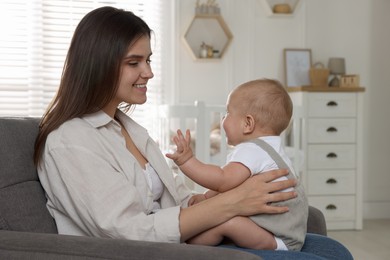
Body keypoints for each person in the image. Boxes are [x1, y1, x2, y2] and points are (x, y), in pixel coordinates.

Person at [33, 6, 352, 260]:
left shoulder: (128, 129)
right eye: (135, 62)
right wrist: (234, 203)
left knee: (334, 250)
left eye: (149, 59)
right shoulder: (70, 142)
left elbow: (175, 200)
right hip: (148, 252)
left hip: (180, 240)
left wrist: (212, 196)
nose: (149, 72)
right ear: (98, 65)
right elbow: (129, 231)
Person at [166, 79, 308, 251]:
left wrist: (187, 161)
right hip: (289, 231)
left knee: (228, 222)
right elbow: (234, 186)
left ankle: (190, 244)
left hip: (275, 237)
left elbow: (222, 180)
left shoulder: (251, 149)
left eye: (227, 113)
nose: (223, 119)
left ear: (248, 124)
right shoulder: (272, 148)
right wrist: (205, 198)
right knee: (228, 217)